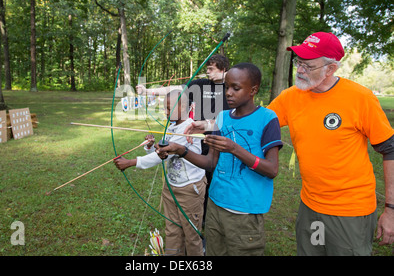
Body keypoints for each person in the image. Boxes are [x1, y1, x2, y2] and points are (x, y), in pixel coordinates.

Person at [266, 31, 394, 255]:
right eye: (298, 62)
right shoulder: (291, 97)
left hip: (350, 213)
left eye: (308, 65)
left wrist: (391, 210)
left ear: (331, 68)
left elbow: (390, 150)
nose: (300, 70)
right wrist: (209, 125)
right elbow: (257, 123)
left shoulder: (360, 98)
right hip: (310, 207)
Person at [156, 63, 283, 255]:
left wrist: (234, 148)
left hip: (244, 210)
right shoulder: (222, 117)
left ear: (253, 90)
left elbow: (272, 169)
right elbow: (210, 163)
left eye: (236, 88)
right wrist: (181, 150)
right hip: (215, 204)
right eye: (226, 87)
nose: (228, 93)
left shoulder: (267, 118)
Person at [137, 54, 231, 225]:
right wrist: (149, 91)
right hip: (196, 141)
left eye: (211, 69)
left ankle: (215, 218)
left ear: (224, 69)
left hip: (221, 143)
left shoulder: (231, 89)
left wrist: (226, 78)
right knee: (200, 180)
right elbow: (174, 89)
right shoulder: (201, 85)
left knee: (218, 182)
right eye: (207, 68)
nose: (207, 72)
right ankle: (199, 219)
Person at [113, 90, 206, 256]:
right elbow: (162, 155)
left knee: (192, 235)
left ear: (183, 106)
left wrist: (130, 163)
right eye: (165, 108)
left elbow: (159, 158)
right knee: (172, 230)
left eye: (169, 108)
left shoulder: (189, 129)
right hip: (171, 188)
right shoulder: (172, 126)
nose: (166, 112)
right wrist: (150, 146)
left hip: (189, 190)